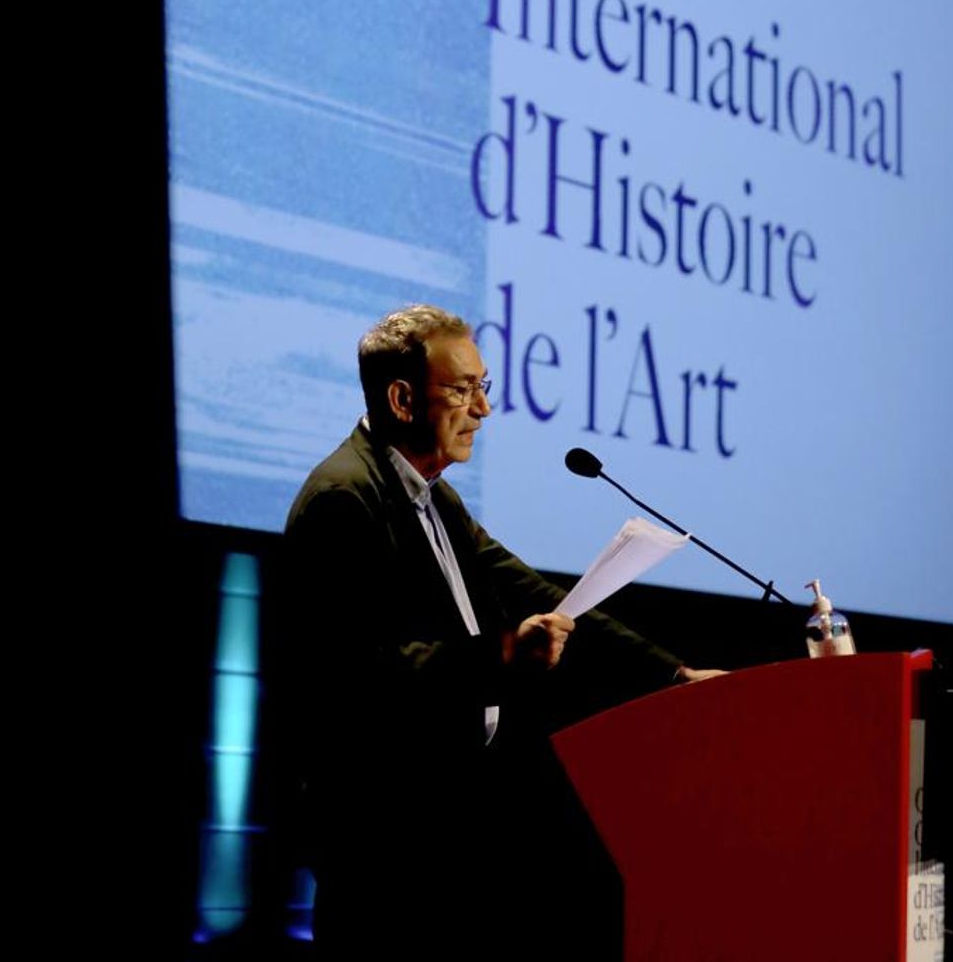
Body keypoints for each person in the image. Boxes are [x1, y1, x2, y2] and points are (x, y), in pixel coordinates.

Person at [283, 303, 720, 958]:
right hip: (384, 848)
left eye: (484, 386)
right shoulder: (344, 498)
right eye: (463, 389)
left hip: (449, 834)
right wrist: (504, 653)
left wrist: (671, 675)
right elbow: (367, 674)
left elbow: (542, 596)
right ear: (402, 397)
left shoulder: (434, 496)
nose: (483, 409)